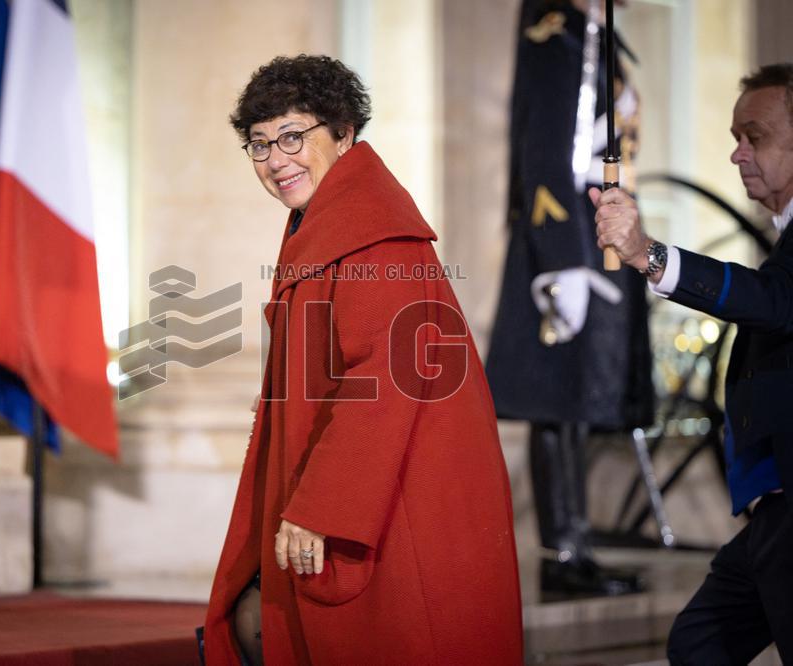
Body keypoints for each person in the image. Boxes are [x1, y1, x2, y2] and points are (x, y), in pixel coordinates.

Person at [202, 55, 523, 665]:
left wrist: (322, 508)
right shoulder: (331, 218)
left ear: (343, 133)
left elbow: (384, 380)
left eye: (292, 136)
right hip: (378, 484)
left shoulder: (371, 231)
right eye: (260, 144)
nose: (275, 160)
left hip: (396, 499)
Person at [594, 63, 793, 664]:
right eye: (735, 137)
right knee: (699, 643)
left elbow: (774, 301)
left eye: (755, 137)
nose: (737, 154)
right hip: (773, 510)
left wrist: (647, 254)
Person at [486, 0, 653, 596]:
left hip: (599, 224)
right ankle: (562, 554)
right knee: (558, 398)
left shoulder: (595, 34)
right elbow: (545, 149)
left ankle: (577, 548)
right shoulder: (558, 33)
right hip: (569, 236)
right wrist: (562, 257)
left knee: (581, 397)